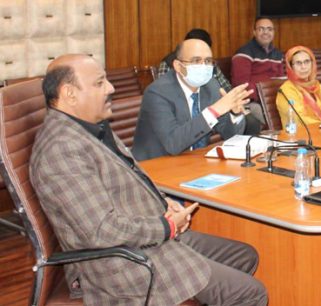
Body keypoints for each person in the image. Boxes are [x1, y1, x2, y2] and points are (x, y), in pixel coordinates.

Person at [30, 54, 267, 305]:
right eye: (100, 83)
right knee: (250, 293)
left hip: (145, 238)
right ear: (69, 94)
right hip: (122, 264)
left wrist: (164, 203)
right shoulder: (61, 148)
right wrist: (166, 227)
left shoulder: (90, 127)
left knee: (244, 256)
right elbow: (101, 231)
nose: (111, 88)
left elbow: (130, 179)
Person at [132, 39, 253, 161]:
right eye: (196, 61)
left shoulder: (210, 86)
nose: (204, 66)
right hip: (156, 166)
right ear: (178, 66)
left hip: (195, 162)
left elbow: (229, 135)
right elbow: (173, 144)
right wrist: (214, 111)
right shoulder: (157, 93)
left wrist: (235, 114)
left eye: (208, 61)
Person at [232, 17, 284, 122]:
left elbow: (280, 80)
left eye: (269, 29)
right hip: (253, 101)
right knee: (258, 111)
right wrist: (265, 97)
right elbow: (241, 85)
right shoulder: (244, 53)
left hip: (273, 97)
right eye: (261, 29)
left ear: (273, 32)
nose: (266, 32)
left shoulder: (278, 54)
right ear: (254, 32)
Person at [275, 46, 321, 126]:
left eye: (307, 62)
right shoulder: (286, 90)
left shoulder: (316, 86)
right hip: (301, 135)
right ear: (291, 67)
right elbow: (300, 119)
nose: (303, 67)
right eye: (298, 63)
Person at [157, 28, 232, 92]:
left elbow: (227, 88)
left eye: (207, 59)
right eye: (196, 60)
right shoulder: (168, 62)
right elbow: (161, 90)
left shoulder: (210, 64)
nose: (203, 64)